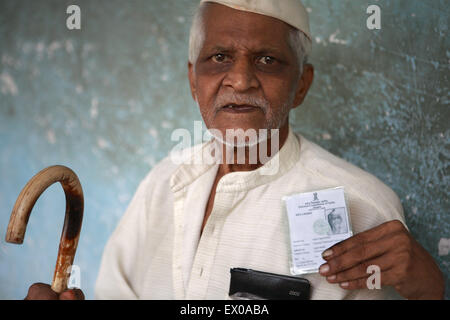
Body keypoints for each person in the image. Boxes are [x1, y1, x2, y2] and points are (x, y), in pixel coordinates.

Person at [25, 0, 444, 300]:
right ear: (194, 80)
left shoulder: (362, 206)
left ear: (301, 84)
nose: (240, 80)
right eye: (220, 57)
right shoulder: (162, 184)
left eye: (267, 60)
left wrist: (431, 290)